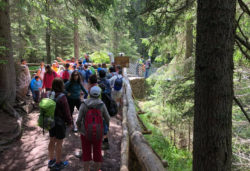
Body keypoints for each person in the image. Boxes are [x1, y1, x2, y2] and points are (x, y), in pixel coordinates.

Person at [76, 86, 110, 171]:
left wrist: (80, 129)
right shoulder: (102, 105)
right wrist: (105, 129)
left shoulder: (84, 104)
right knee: (97, 152)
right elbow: (108, 118)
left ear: (90, 94)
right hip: (98, 132)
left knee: (86, 153)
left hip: (85, 133)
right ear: (99, 95)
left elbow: (78, 120)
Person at [48, 78, 72, 170]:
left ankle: (51, 160)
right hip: (59, 123)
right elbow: (67, 111)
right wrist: (70, 122)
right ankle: (58, 163)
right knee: (59, 143)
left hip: (50, 121)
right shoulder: (62, 96)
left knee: (51, 140)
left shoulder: (49, 94)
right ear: (61, 85)